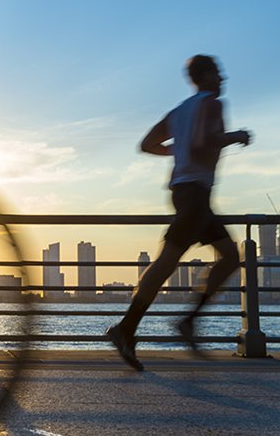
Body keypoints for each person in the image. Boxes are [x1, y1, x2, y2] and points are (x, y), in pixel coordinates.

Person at [107, 55, 251, 370]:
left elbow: (147, 144)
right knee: (166, 262)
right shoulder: (213, 103)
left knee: (229, 257)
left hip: (187, 194)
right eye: (218, 73)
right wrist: (235, 136)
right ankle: (127, 328)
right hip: (195, 195)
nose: (223, 79)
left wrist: (178, 147)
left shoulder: (180, 110)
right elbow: (203, 145)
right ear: (205, 76)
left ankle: (185, 320)